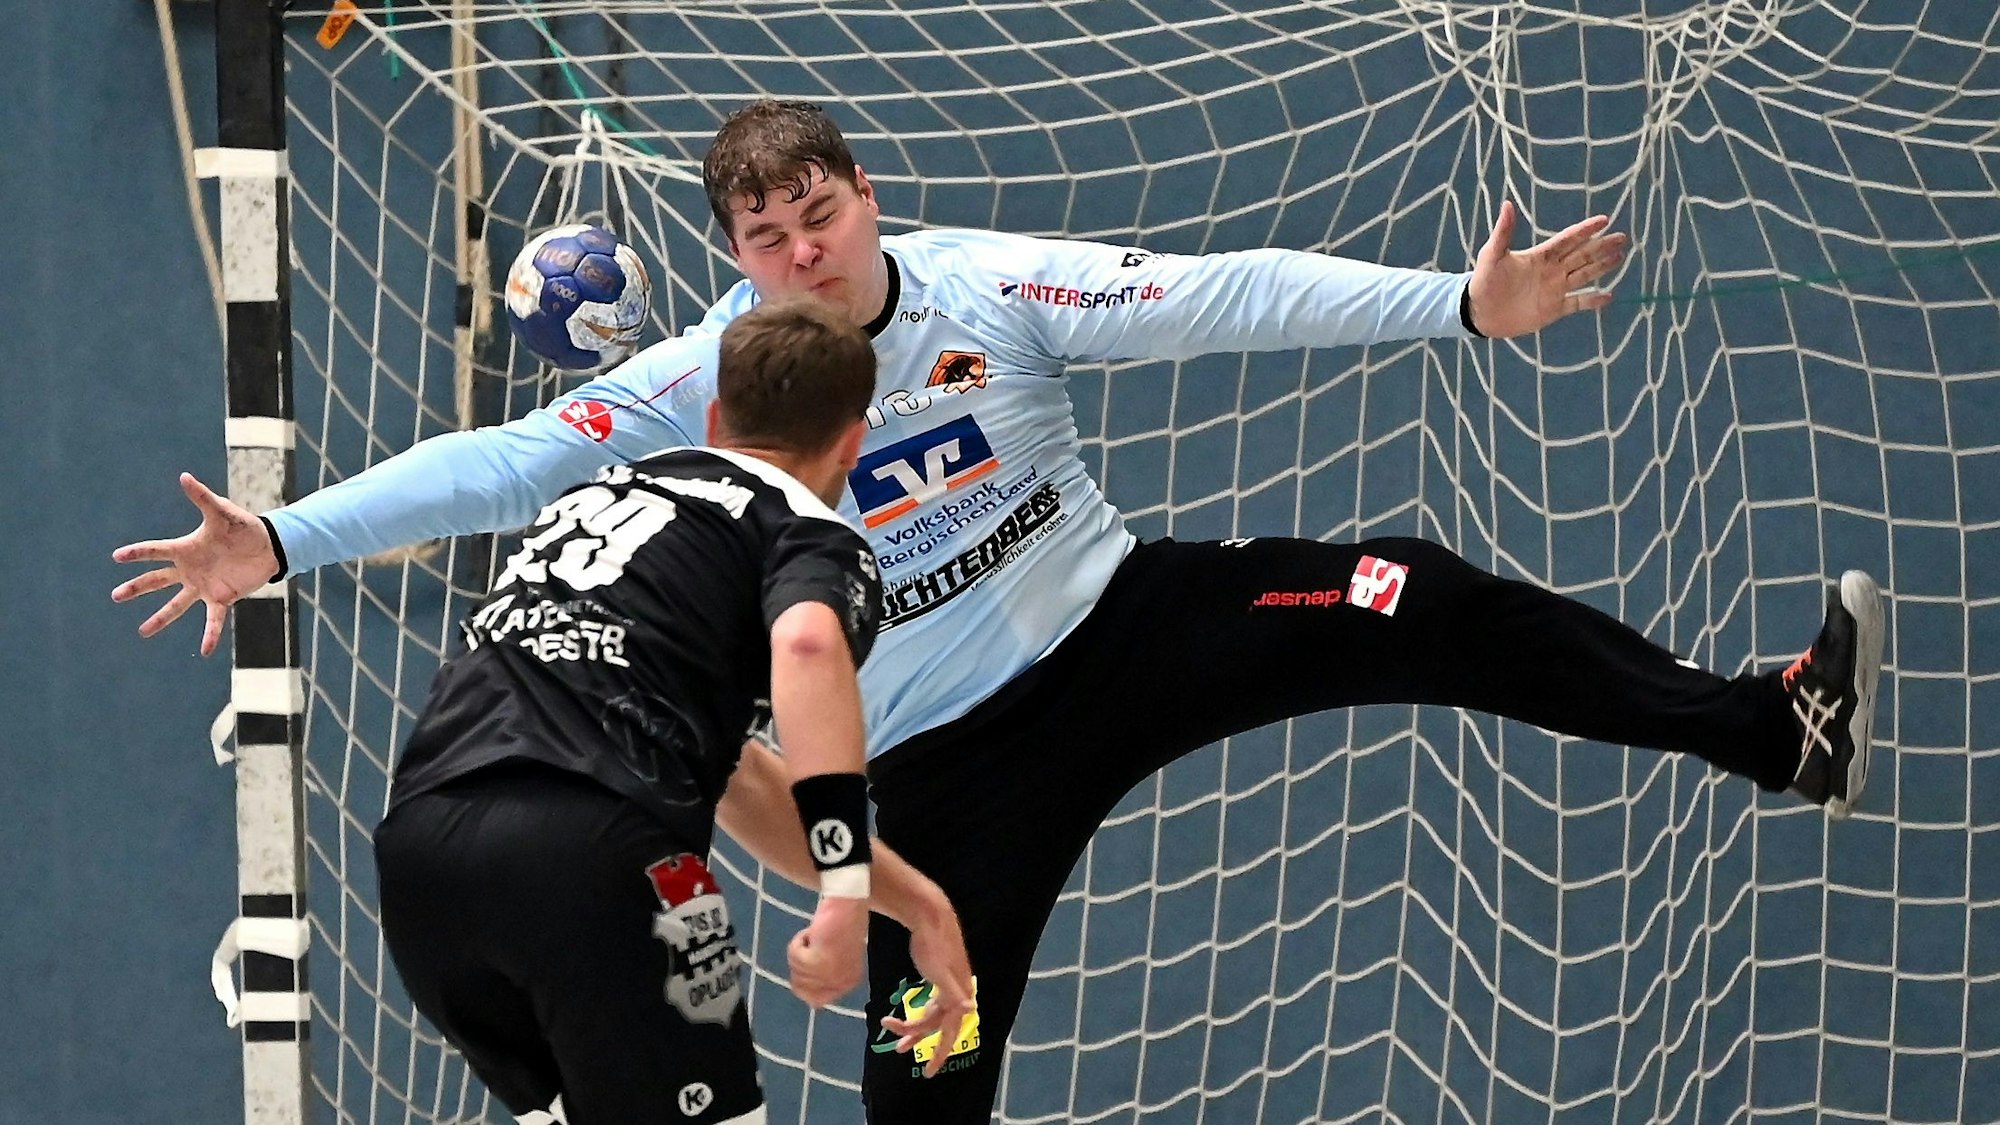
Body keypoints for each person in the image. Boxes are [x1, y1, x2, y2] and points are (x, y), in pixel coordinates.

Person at [113, 100, 1883, 1124]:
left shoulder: (988, 289)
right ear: (737, 254)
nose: (798, 251)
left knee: (1407, 597)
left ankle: (1770, 728)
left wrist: (1461, 310)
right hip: (943, 793)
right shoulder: (694, 378)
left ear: (862, 200)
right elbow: (501, 466)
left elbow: (1216, 295)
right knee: (927, 1073)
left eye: (818, 214)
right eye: (765, 234)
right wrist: (277, 546)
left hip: (1126, 629)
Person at [238, 299, 975, 1124]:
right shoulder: (799, 529)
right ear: (852, 438)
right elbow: (807, 645)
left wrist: (919, 904)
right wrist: (842, 892)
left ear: (715, 417)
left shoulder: (599, 497)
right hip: (602, 860)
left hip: (424, 858)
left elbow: (737, 778)